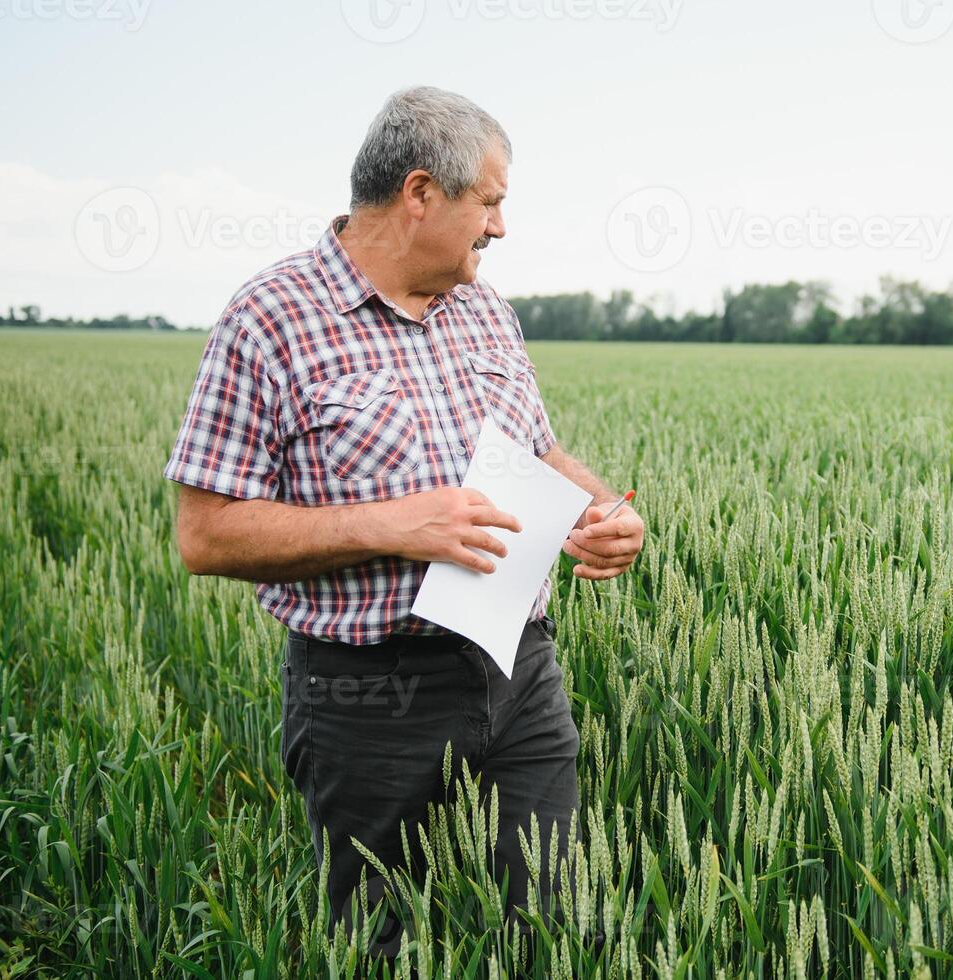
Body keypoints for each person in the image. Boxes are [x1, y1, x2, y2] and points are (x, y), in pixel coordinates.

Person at [162, 85, 644, 959]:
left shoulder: (487, 311)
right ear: (421, 193)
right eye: (489, 202)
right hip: (365, 693)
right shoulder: (269, 320)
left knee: (558, 928)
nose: (499, 227)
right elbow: (205, 534)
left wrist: (596, 506)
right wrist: (391, 525)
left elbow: (539, 448)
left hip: (518, 673)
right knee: (378, 946)